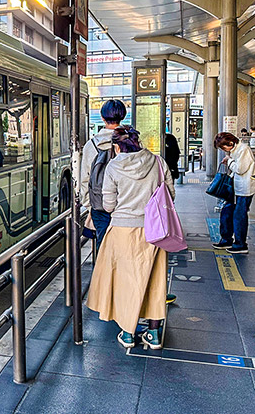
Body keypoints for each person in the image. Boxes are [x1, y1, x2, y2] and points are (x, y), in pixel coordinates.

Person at [86, 126, 176, 350]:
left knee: (125, 282)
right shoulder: (157, 162)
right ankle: (153, 334)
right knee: (155, 282)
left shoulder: (114, 167)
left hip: (122, 232)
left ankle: (128, 333)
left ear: (117, 146)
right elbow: (170, 195)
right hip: (154, 232)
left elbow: (108, 205)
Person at [80, 99, 125, 251]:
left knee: (104, 249)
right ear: (122, 116)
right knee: (125, 250)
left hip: (100, 207)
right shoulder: (132, 141)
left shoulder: (91, 145)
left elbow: (84, 180)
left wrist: (90, 205)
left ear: (103, 118)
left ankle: (103, 274)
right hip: (127, 206)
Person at [213, 132, 255, 253]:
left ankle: (240, 244)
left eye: (224, 147)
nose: (224, 150)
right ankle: (226, 239)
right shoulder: (236, 150)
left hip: (245, 188)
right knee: (227, 211)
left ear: (231, 142)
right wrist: (229, 159)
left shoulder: (244, 149)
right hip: (236, 187)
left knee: (239, 215)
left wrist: (229, 161)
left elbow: (240, 169)